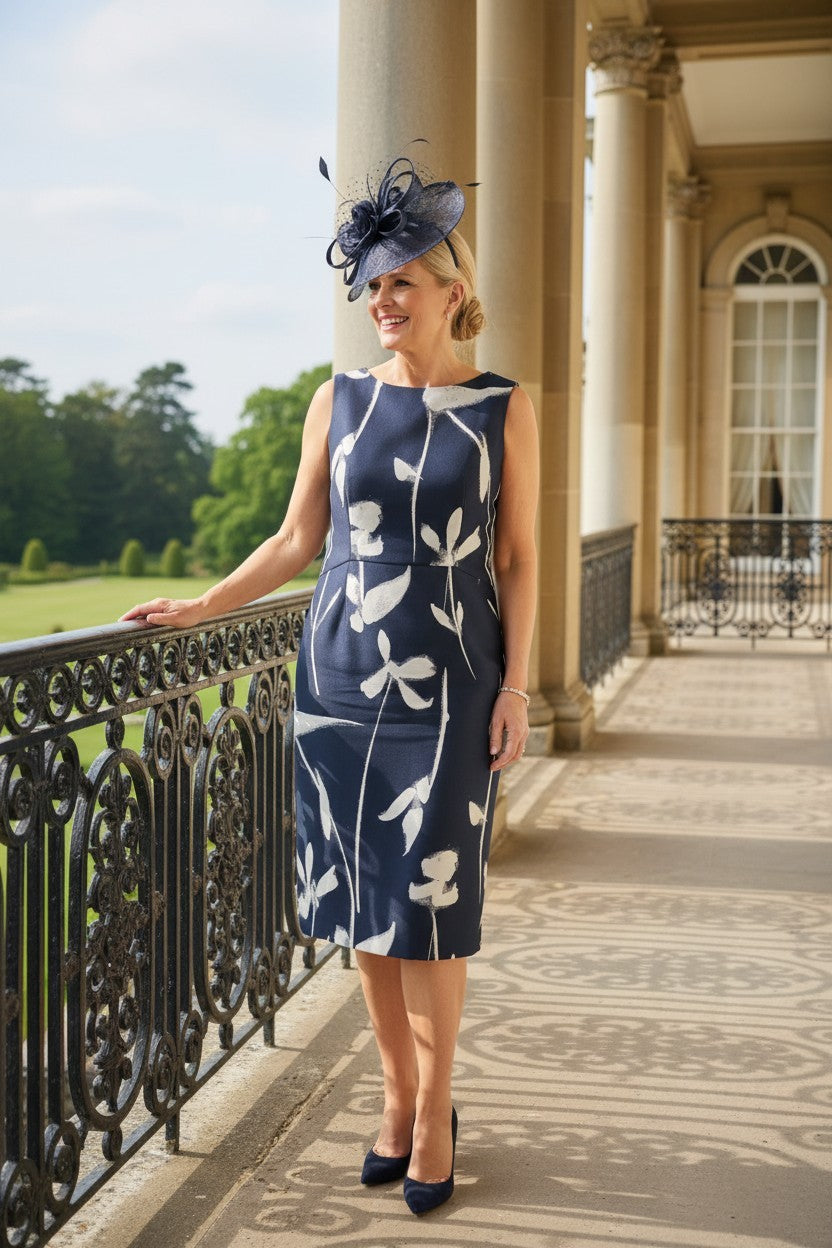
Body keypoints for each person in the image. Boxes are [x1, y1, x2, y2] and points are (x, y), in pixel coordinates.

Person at [122, 151, 539, 1215]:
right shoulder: (337, 400)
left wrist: (515, 689)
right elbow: (296, 537)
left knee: (432, 902)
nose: (381, 300)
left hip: (452, 682)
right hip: (340, 681)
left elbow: (520, 557)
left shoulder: (501, 406)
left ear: (453, 290)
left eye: (403, 281)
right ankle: (398, 1098)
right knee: (360, 898)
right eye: (372, 283)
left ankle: (439, 1100)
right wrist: (205, 604)